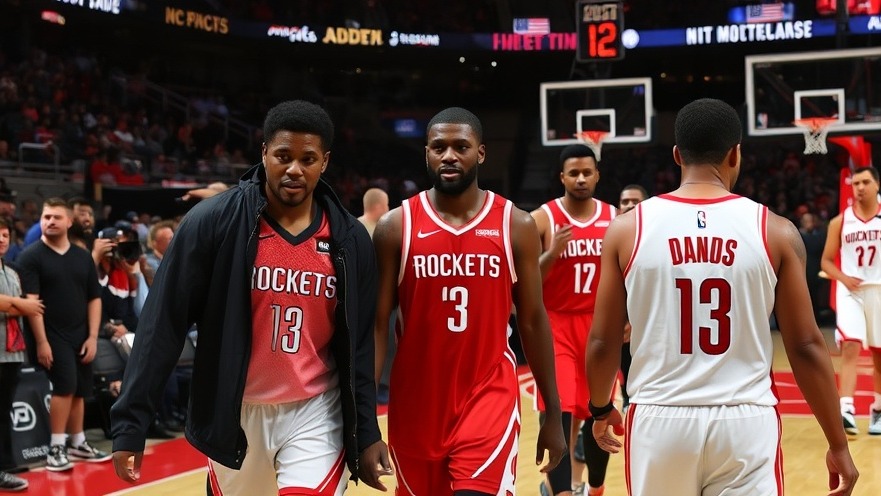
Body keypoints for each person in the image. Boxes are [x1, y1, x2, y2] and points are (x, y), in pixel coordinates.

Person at [109, 100, 389, 495]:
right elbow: (162, 324)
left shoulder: (349, 239)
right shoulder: (212, 222)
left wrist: (366, 430)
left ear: (324, 162)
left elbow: (359, 348)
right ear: (264, 154)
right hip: (235, 411)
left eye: (308, 158)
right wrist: (130, 424)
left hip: (315, 410)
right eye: (283, 156)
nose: (294, 168)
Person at [586, 98, 858, 495]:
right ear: (736, 153)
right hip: (745, 422)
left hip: (660, 419)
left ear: (678, 155)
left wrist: (600, 408)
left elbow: (602, 341)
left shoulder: (627, 229)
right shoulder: (776, 230)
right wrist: (837, 443)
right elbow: (804, 345)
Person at [373, 107, 566, 495]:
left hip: (487, 397)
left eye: (461, 146)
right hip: (415, 405)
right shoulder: (396, 226)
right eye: (438, 147)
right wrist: (363, 418)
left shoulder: (515, 224)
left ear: (480, 153)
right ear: (426, 153)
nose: (449, 155)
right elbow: (378, 324)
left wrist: (553, 414)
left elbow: (531, 319)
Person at [531, 144, 615, 496]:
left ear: (597, 174)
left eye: (587, 172)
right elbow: (523, 281)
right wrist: (552, 254)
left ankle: (594, 488)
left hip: (600, 327)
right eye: (573, 173)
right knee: (558, 410)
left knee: (599, 413)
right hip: (557, 326)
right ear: (562, 177)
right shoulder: (541, 218)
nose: (581, 179)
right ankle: (562, 491)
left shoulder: (615, 218)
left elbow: (630, 274)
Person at [16, 198, 110, 471]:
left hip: (80, 333)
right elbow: (32, 304)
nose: (50, 222)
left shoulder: (82, 256)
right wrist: (42, 342)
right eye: (46, 217)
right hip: (50, 334)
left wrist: (93, 336)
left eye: (56, 217)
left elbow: (94, 298)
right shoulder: (31, 256)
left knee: (80, 389)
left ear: (70, 221)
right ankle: (56, 446)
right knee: (65, 386)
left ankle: (77, 441)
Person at [820, 166, 881, 436]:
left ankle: (877, 411)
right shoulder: (840, 221)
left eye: (866, 182)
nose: (860, 187)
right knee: (851, 348)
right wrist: (843, 278)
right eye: (856, 183)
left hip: (878, 289)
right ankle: (846, 409)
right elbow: (826, 261)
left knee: (879, 353)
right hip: (851, 291)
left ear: (877, 185)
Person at [0, 218, 44, 491]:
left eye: (4, 234)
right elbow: (24, 306)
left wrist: (14, 305)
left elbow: (26, 308)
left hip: (12, 354)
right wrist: (21, 304)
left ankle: (3, 469)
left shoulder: (12, 272)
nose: (2, 239)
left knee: (3, 414)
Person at [616, 184, 648, 413]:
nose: (629, 205)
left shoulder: (655, 236)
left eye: (635, 201)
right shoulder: (612, 236)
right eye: (625, 201)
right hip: (618, 313)